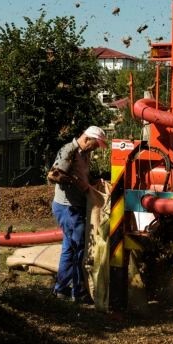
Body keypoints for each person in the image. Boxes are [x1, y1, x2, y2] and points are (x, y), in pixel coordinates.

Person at [48, 125, 108, 303]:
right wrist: (74, 181)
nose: (96, 148)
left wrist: (93, 182)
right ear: (87, 139)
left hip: (75, 207)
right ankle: (79, 293)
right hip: (68, 208)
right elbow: (53, 175)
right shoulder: (70, 150)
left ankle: (61, 290)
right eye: (96, 145)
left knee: (69, 248)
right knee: (81, 248)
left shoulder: (84, 154)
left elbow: (81, 177)